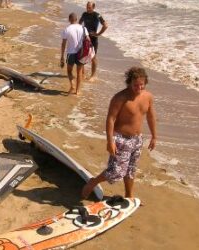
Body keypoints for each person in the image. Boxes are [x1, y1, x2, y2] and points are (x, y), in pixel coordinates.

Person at [81, 67, 157, 199]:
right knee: (116, 171)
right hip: (121, 139)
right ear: (129, 83)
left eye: (141, 85)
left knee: (131, 170)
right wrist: (110, 141)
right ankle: (93, 182)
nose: (139, 88)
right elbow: (110, 119)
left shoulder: (148, 97)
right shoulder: (120, 98)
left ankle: (129, 195)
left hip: (137, 139)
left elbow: (151, 116)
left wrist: (154, 136)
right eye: (135, 85)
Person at [79, 1, 108, 81]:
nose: (87, 9)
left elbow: (105, 25)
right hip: (85, 37)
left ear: (93, 7)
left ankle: (93, 75)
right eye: (87, 7)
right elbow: (79, 23)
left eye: (89, 7)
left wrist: (98, 34)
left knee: (93, 57)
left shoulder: (97, 15)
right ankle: (82, 74)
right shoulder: (84, 14)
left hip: (93, 39)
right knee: (82, 55)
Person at [60, 13, 88, 95]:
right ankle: (77, 91)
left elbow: (63, 44)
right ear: (77, 19)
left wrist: (62, 56)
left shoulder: (67, 29)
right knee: (79, 72)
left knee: (69, 71)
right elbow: (88, 40)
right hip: (81, 53)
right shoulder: (83, 28)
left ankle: (72, 85)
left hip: (71, 53)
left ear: (69, 20)